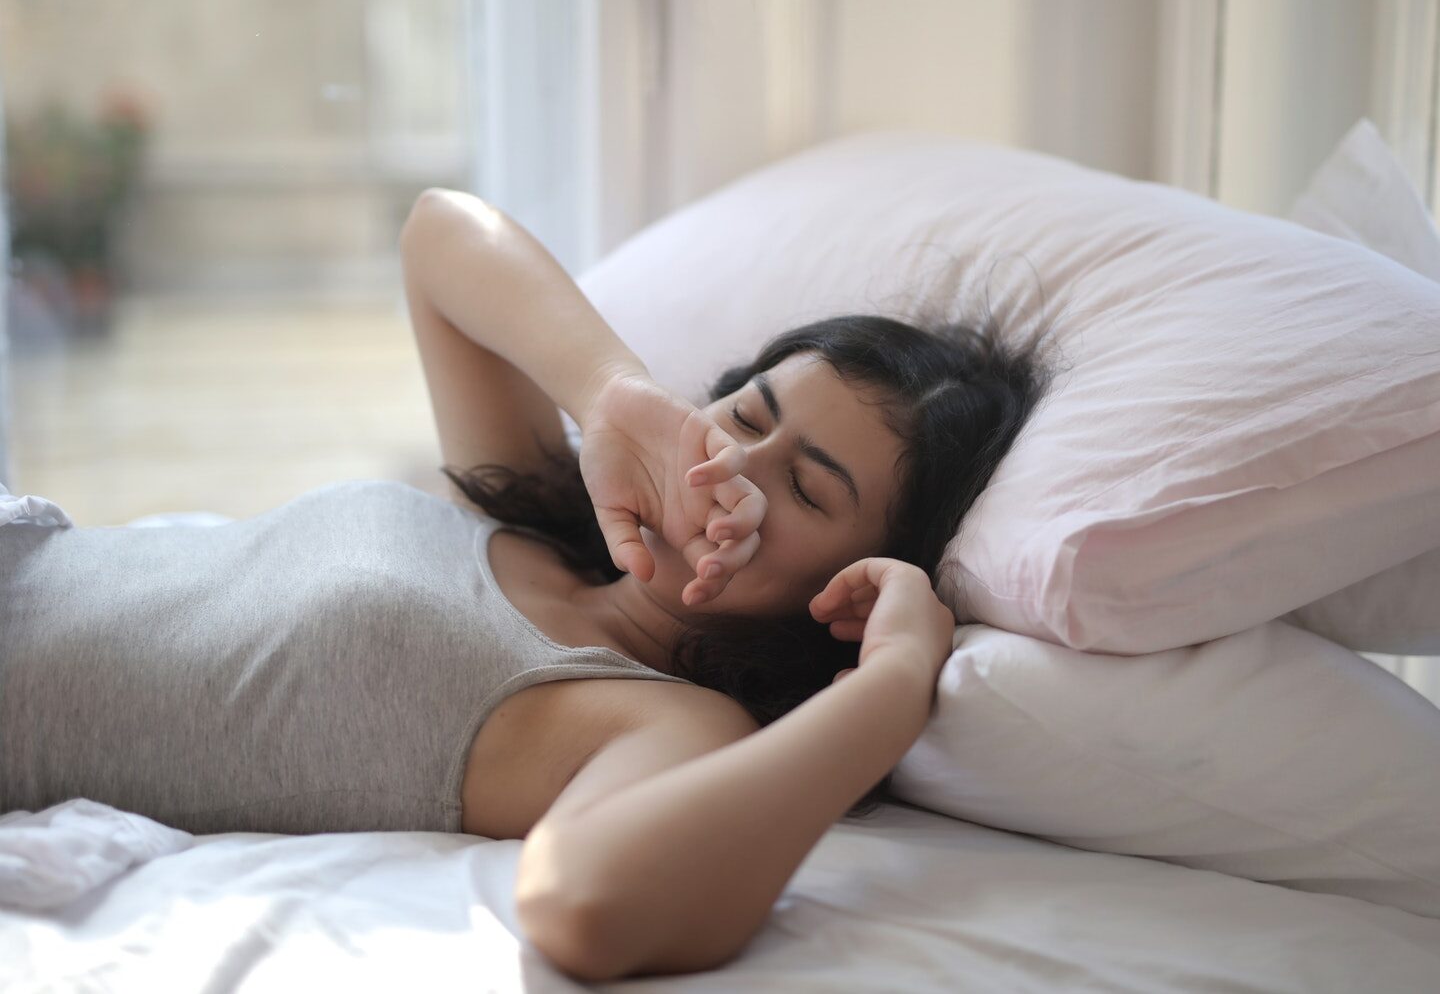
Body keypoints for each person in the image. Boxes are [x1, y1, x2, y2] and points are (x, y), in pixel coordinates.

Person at [0, 187, 1052, 982]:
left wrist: (894, 679)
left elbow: (583, 907)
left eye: (805, 491)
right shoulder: (539, 515)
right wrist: (611, 394)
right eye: (745, 415)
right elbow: (437, 235)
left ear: (847, 588)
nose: (734, 471)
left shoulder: (664, 722)